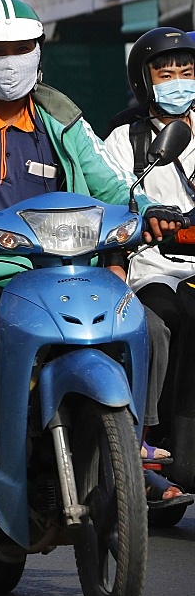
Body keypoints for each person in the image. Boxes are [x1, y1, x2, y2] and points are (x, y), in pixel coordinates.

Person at [0, 0, 185, 515]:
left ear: (37, 50)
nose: (10, 60)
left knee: (148, 327)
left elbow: (112, 186)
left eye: (20, 48)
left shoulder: (63, 116)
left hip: (71, 267)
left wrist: (149, 210)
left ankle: (133, 451)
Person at [104, 27, 195, 504]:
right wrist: (146, 214)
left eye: (187, 71)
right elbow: (117, 193)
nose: (179, 81)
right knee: (163, 322)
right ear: (144, 80)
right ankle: (149, 442)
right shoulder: (124, 138)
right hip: (151, 266)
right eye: (166, 72)